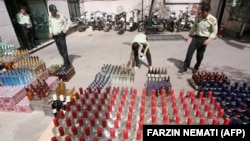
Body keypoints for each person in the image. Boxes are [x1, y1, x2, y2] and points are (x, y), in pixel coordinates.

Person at [178, 3, 218, 73]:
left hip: (204, 39)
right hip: (195, 38)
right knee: (189, 53)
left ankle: (196, 67)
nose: (202, 14)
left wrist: (209, 39)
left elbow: (214, 31)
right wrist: (189, 35)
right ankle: (185, 67)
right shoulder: (198, 17)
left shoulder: (212, 20)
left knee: (199, 56)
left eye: (203, 12)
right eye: (201, 12)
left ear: (208, 11)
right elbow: (194, 27)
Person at [48, 4, 72, 70]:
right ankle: (67, 63)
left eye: (55, 11)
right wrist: (50, 33)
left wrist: (66, 29)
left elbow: (69, 22)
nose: (55, 12)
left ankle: (67, 65)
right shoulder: (49, 17)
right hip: (55, 36)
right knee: (60, 51)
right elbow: (50, 26)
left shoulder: (61, 16)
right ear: (50, 11)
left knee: (64, 50)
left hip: (61, 35)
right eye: (53, 11)